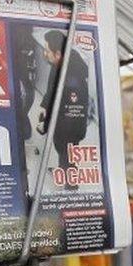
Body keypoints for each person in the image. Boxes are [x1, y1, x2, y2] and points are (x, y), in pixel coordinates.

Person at [38, 30, 90, 185]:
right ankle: (64, 170)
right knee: (63, 151)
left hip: (69, 126)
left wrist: (45, 125)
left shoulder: (72, 78)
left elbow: (63, 108)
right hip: (65, 124)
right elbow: (51, 90)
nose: (45, 54)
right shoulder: (60, 63)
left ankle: (70, 186)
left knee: (66, 150)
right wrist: (43, 106)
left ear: (58, 53)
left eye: (47, 51)